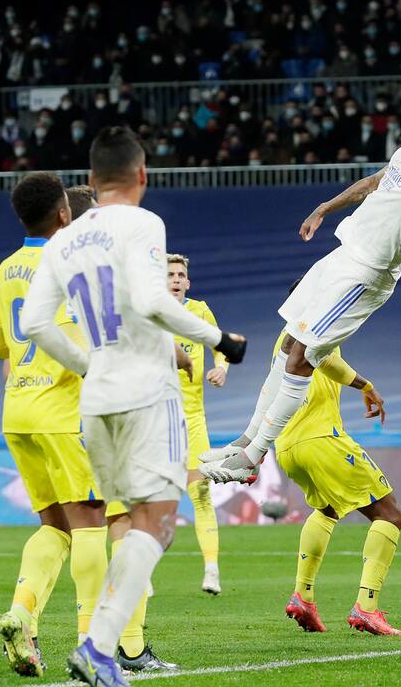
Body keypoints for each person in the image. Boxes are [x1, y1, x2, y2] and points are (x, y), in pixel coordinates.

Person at [21, 126, 247, 686]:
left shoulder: (62, 240)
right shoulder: (145, 223)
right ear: (142, 175)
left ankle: (99, 648)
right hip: (147, 392)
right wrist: (219, 339)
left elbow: (32, 324)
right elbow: (151, 300)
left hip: (94, 402)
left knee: (122, 523)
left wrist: (84, 366)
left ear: (92, 182)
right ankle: (100, 648)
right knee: (159, 523)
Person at [199, 101, 401, 484]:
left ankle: (253, 458)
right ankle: (244, 441)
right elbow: (372, 183)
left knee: (304, 356)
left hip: (366, 274)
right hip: (342, 255)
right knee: (289, 342)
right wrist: (324, 207)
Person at [0, 173, 108, 677]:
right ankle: (91, 644)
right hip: (64, 410)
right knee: (90, 522)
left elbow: (1, 348)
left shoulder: (3, 270)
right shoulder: (72, 265)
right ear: (65, 214)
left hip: (17, 409)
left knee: (54, 527)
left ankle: (22, 616)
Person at [65, 183, 183, 673]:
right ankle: (115, 646)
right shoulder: (113, 257)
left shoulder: (38, 266)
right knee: (143, 524)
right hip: (125, 405)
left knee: (83, 527)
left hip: (68, 412)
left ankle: (94, 642)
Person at [269, 295, 399, 634]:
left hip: (288, 446)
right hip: (320, 439)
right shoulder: (316, 326)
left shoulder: (282, 341)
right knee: (389, 514)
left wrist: (255, 448)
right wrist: (365, 385)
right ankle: (366, 607)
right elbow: (323, 358)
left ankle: (303, 596)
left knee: (327, 509)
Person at [165, 252, 229, 594]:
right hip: (156, 419)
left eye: (180, 275)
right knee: (150, 499)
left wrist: (222, 368)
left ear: (187, 282)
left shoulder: (199, 310)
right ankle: (141, 576)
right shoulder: (150, 314)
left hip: (192, 419)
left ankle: (212, 570)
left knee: (201, 492)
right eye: (170, 274)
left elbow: (220, 346)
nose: (175, 279)